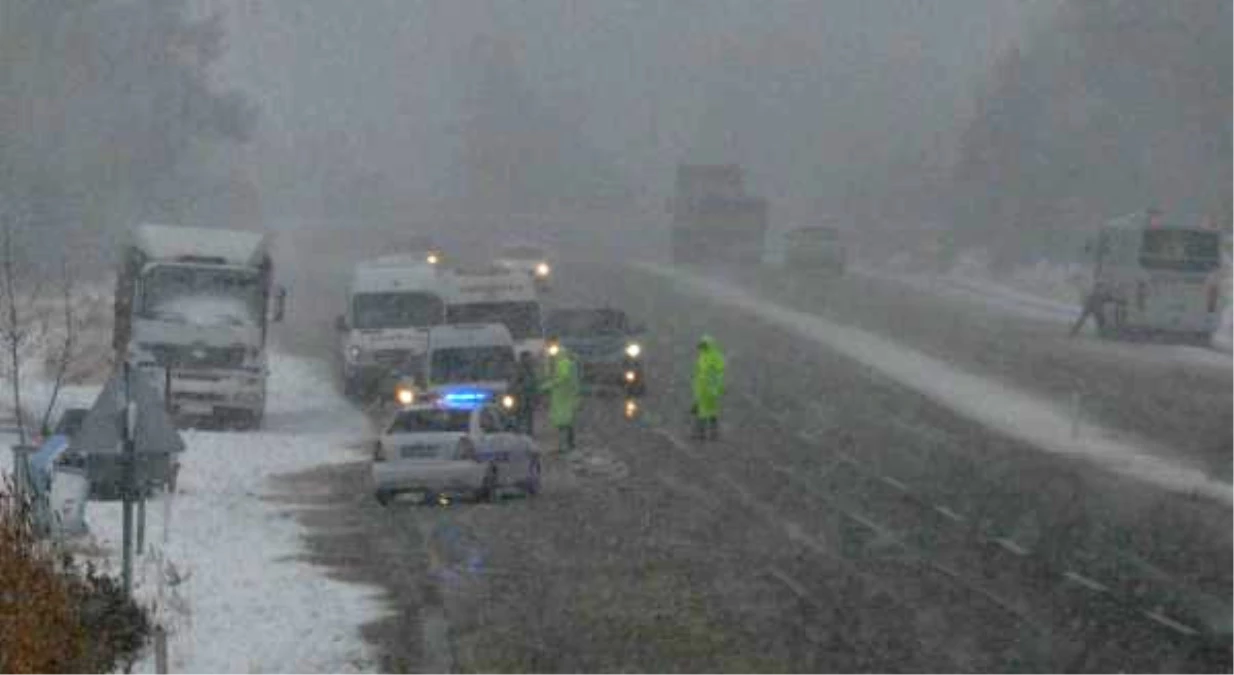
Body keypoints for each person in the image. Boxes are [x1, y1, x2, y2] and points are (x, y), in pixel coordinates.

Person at [542, 341, 581, 453]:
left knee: (563, 424)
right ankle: (568, 444)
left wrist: (548, 385)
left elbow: (563, 378)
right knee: (567, 423)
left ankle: (565, 446)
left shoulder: (563, 363)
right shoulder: (569, 363)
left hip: (562, 397)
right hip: (566, 397)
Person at [691, 335, 726, 440]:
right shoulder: (703, 356)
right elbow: (699, 372)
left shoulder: (714, 357)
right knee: (706, 410)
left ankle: (704, 432)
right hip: (702, 388)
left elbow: (718, 373)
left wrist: (716, 387)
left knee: (706, 411)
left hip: (710, 388)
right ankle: (709, 432)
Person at [510, 352, 540, 435]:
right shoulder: (519, 370)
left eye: (529, 358)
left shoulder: (530, 370)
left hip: (528, 397)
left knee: (529, 416)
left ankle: (529, 432)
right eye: (528, 358)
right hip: (521, 398)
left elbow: (534, 384)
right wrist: (521, 388)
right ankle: (519, 432)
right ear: (523, 359)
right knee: (520, 416)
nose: (529, 360)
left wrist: (536, 396)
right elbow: (514, 384)